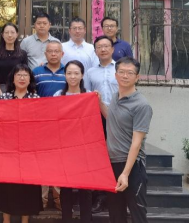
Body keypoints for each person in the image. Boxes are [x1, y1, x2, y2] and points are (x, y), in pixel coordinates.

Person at [98, 57, 153, 223]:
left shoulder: (142, 105)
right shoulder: (115, 97)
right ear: (115, 75)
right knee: (116, 214)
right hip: (112, 164)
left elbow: (137, 143)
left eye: (130, 73)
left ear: (137, 77)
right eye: (121, 72)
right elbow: (111, 118)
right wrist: (99, 102)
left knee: (137, 213)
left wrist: (125, 173)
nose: (125, 76)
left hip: (132, 166)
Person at [0, 64, 42, 223]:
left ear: (30, 79)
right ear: (13, 78)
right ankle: (6, 219)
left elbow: (40, 124)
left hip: (29, 149)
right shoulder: (4, 97)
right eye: (19, 75)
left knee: (27, 185)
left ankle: (25, 219)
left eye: (25, 75)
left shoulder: (36, 99)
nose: (22, 78)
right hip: (8, 149)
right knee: (7, 185)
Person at [54, 60, 92, 223]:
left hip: (84, 148)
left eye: (76, 73)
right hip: (64, 148)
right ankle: (66, 219)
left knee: (85, 187)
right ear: (65, 75)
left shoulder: (88, 95)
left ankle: (86, 219)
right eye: (69, 73)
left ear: (82, 75)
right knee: (66, 187)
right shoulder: (58, 95)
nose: (73, 76)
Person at [84, 35, 119, 213]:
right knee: (99, 156)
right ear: (95, 51)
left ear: (112, 49)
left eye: (106, 46)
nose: (103, 49)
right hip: (97, 118)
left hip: (119, 117)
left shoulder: (121, 69)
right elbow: (86, 95)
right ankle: (100, 196)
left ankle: (119, 195)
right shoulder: (90, 72)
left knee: (117, 154)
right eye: (99, 47)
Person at [32, 40, 65, 209]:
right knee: (43, 161)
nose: (53, 54)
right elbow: (32, 95)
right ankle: (42, 199)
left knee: (60, 161)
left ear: (62, 54)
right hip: (42, 124)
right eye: (50, 51)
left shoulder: (69, 71)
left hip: (62, 125)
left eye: (56, 51)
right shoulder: (36, 72)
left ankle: (58, 197)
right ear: (45, 54)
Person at [0, 22, 28, 96]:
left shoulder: (23, 54)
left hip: (17, 90)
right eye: (6, 32)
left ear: (17, 34)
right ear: (2, 35)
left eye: (12, 32)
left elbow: (25, 75)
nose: (9, 35)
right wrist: (0, 94)